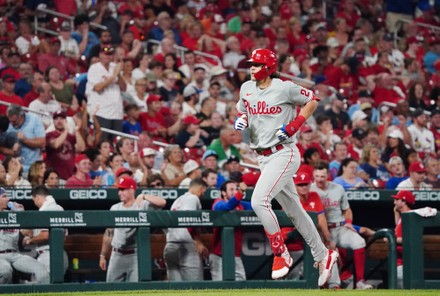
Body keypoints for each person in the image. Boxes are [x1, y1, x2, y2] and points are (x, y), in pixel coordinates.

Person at [233, 48, 337, 285]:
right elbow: (244, 110)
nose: (252, 68)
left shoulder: (284, 87)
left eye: (257, 65)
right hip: (263, 157)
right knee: (295, 212)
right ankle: (324, 254)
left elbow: (312, 99)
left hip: (284, 154)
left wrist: (296, 124)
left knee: (258, 201)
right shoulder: (246, 88)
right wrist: (242, 119)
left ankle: (281, 253)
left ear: (268, 67)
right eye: (251, 64)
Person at [311, 162, 373, 289]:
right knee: (329, 254)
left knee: (359, 242)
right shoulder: (311, 189)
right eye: (317, 176)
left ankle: (360, 282)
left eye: (322, 176)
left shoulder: (338, 188)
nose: (319, 179)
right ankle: (332, 284)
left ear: (328, 175)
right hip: (321, 230)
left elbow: (347, 210)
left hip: (339, 227)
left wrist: (349, 223)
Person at [99, 176, 166, 282]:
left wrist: (143, 195)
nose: (119, 193)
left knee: (136, 290)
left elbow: (162, 202)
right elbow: (108, 233)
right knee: (111, 290)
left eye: (123, 189)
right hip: (117, 255)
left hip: (135, 255)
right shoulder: (115, 208)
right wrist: (102, 255)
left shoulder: (142, 205)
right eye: (119, 190)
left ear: (131, 190)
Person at [284, 172, 340, 288]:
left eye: (306, 184)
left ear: (310, 184)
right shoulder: (290, 199)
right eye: (300, 185)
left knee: (329, 252)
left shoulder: (314, 195)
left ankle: (333, 285)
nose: (304, 187)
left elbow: (321, 219)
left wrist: (328, 240)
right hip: (293, 241)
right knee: (294, 277)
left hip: (309, 241)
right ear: (295, 186)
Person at [0, 187, 50, 284]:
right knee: (6, 271)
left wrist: (22, 215)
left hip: (15, 255)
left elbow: (28, 232)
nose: (8, 199)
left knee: (41, 269)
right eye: (4, 196)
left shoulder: (13, 215)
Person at [164, 178, 210, 281]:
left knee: (176, 289)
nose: (203, 193)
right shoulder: (193, 198)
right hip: (185, 245)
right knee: (194, 286)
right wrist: (197, 241)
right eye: (204, 191)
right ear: (201, 189)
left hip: (170, 245)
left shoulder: (178, 200)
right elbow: (188, 219)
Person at [210, 180, 252, 281]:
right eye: (231, 189)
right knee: (219, 288)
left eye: (236, 189)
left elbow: (256, 205)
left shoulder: (241, 204)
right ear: (224, 193)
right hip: (219, 254)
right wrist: (240, 192)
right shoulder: (218, 203)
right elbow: (227, 206)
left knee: (241, 285)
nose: (234, 191)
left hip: (235, 254)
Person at [21, 185, 68, 274]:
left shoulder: (46, 210)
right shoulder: (59, 208)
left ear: (37, 198)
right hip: (61, 253)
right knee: (58, 285)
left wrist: (30, 241)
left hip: (48, 256)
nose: (34, 203)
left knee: (43, 285)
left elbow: (45, 235)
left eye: (34, 200)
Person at [85, 44, 126, 141]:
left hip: (116, 113)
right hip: (101, 112)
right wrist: (113, 76)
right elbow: (97, 88)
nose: (108, 56)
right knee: (102, 143)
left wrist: (118, 74)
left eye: (110, 54)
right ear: (100, 55)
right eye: (105, 54)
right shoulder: (95, 68)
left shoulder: (114, 67)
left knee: (115, 143)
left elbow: (124, 87)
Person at [45, 110, 85, 182]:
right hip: (54, 177)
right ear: (53, 122)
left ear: (66, 121)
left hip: (69, 176)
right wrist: (66, 130)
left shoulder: (71, 136)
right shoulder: (50, 135)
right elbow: (55, 145)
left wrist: (77, 131)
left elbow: (81, 148)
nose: (59, 121)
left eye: (61, 119)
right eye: (56, 119)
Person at [7, 104, 45, 176]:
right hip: (13, 169)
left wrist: (25, 140)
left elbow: (42, 143)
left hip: (32, 168)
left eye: (14, 121)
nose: (12, 124)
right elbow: (2, 147)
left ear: (21, 116)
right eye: (10, 121)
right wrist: (12, 151)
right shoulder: (8, 124)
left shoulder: (34, 120)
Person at [392, 190, 416, 289]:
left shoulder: (411, 217)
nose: (394, 202)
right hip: (399, 262)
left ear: (404, 202)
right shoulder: (404, 217)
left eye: (397, 200)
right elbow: (399, 227)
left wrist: (391, 239)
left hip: (404, 264)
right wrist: (395, 212)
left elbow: (409, 239)